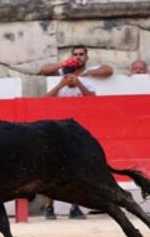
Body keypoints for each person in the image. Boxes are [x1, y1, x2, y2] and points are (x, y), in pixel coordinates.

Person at [43, 57, 93, 220]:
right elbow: (42, 102)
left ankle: (75, 207)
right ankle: (49, 207)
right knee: (51, 171)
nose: (69, 76)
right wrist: (60, 85)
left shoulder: (86, 84)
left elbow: (95, 103)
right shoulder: (57, 86)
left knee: (77, 171)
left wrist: (79, 84)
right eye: (67, 73)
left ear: (79, 72)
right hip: (56, 134)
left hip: (77, 134)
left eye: (73, 73)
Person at [40, 45, 114, 78]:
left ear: (87, 57)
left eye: (81, 54)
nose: (78, 57)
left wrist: (87, 73)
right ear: (72, 57)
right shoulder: (63, 72)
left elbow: (108, 70)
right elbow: (44, 70)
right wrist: (63, 64)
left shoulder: (90, 70)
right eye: (75, 55)